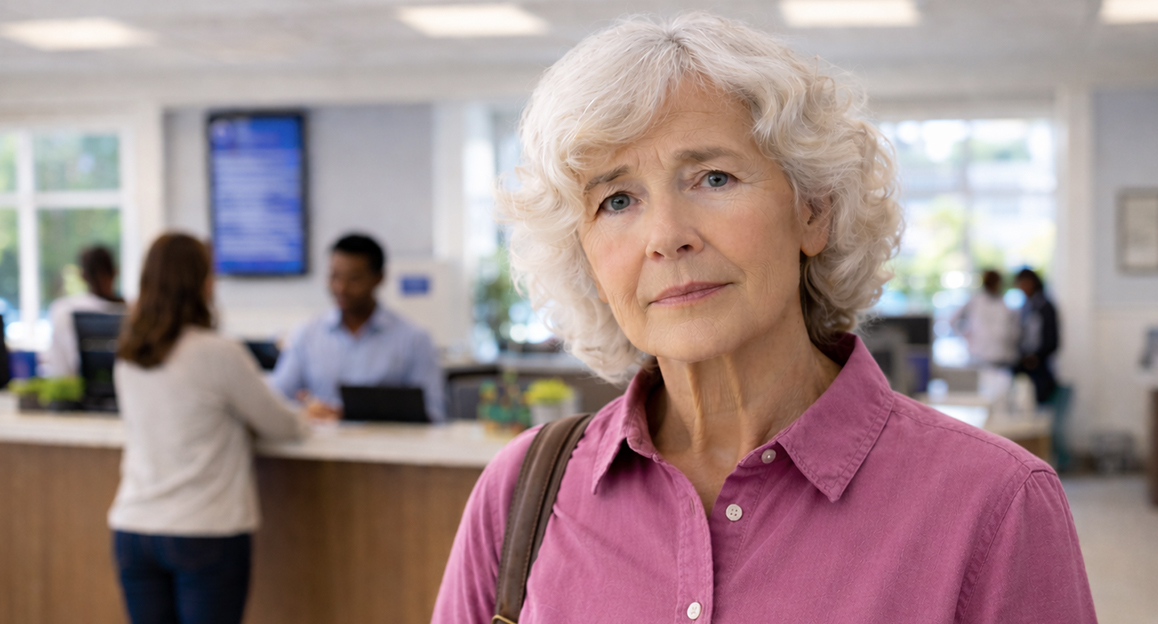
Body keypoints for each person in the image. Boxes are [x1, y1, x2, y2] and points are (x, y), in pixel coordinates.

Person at [433, 14, 1095, 623]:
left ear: (813, 210)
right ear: (586, 255)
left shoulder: (995, 502)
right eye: (617, 200)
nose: (666, 236)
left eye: (713, 178)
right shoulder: (521, 493)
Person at [110, 233, 327, 624]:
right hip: (203, 531)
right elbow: (281, 426)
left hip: (134, 528)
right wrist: (307, 413)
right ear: (199, 283)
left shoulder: (128, 356)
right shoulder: (218, 353)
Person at [270, 233, 445, 422]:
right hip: (321, 447)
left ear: (379, 278)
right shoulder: (307, 334)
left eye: (353, 279)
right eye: (334, 277)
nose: (341, 288)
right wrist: (302, 411)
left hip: (386, 447)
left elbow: (433, 412)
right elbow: (274, 400)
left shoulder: (413, 339)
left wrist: (350, 413)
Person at [43, 245, 125, 377]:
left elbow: (59, 370)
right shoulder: (133, 311)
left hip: (80, 392)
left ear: (83, 276)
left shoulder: (63, 310)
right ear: (116, 272)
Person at [950, 269, 1018, 367]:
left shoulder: (1006, 304)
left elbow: (1014, 331)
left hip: (1002, 358)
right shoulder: (975, 300)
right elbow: (953, 319)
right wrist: (965, 335)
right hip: (979, 357)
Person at [1014, 267, 1060, 404]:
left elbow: (1053, 340)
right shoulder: (1026, 306)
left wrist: (1036, 357)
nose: (1021, 288)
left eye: (1023, 283)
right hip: (1026, 364)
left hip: (1040, 367)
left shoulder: (1045, 306)